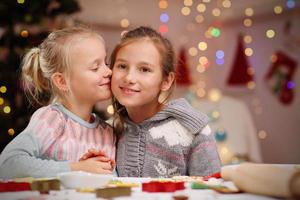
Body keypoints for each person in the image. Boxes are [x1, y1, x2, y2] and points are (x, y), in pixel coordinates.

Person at [0, 26, 116, 179]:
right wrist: (76, 168)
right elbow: (8, 164)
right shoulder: (52, 119)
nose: (109, 72)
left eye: (106, 63)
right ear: (61, 81)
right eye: (95, 67)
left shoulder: (108, 132)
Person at [110, 26, 221, 177]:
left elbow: (212, 188)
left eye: (144, 69)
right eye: (122, 66)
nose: (129, 78)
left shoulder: (192, 131)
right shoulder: (108, 131)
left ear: (166, 81)